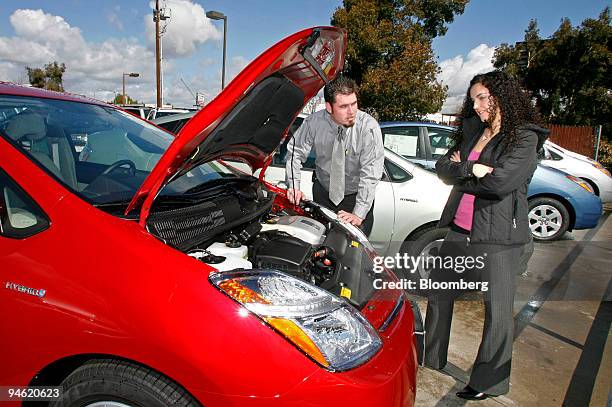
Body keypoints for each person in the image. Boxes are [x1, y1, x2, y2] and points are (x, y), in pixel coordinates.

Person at [424, 70, 549, 400]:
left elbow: (500, 184)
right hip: (457, 229)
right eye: (474, 99)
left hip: (498, 238)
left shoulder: (523, 137)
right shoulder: (473, 131)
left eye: (483, 98)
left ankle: (488, 382)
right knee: (439, 294)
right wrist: (472, 168)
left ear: (502, 96)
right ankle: (431, 357)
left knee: (497, 313)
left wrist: (463, 171)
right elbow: (442, 168)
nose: (477, 105)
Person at [285, 76, 384, 236]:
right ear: (329, 107)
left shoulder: (368, 128)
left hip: (355, 198)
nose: (352, 112)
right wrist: (294, 187)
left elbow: (371, 173)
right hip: (323, 194)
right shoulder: (313, 122)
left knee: (352, 254)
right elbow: (295, 153)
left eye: (354, 103)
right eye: (344, 106)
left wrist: (358, 213)